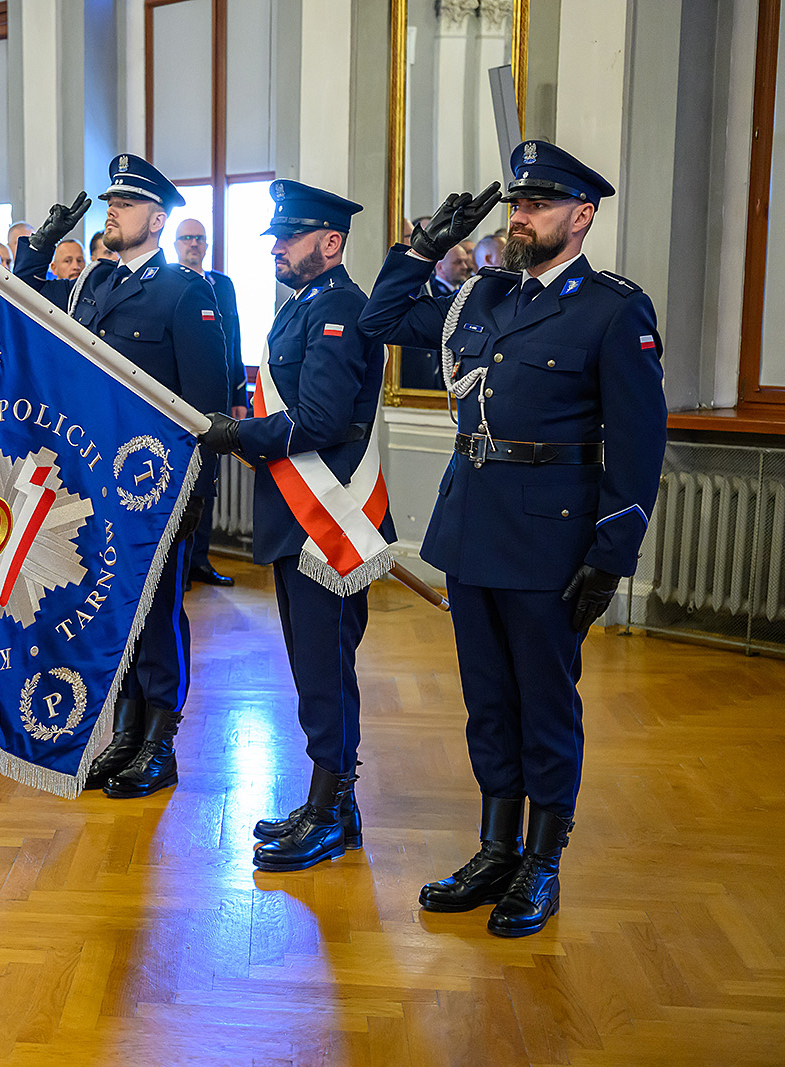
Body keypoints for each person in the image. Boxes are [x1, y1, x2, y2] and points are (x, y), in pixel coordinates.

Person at [358, 142, 667, 937]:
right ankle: (495, 848)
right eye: (517, 206)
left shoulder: (612, 308)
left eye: (537, 206)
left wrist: (611, 556)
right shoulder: (485, 298)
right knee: (488, 703)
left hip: (551, 543)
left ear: (581, 216)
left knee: (545, 705)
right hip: (473, 530)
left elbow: (638, 446)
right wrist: (421, 250)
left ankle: (543, 861)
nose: (519, 217)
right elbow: (380, 320)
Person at [14, 153, 230, 799]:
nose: (113, 211)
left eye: (127, 204)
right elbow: (24, 306)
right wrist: (42, 243)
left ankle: (159, 740)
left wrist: (195, 496)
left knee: (157, 613)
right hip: (92, 486)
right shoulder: (95, 285)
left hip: (157, 491)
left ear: (157, 219)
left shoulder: (186, 291)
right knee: (116, 610)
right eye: (112, 202)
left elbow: (207, 405)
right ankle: (128, 731)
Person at [199, 181, 396, 872]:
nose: (277, 248)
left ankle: (335, 810)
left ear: (330, 242)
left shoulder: (340, 307)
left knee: (324, 667)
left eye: (289, 237)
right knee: (312, 668)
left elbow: (319, 421)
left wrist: (236, 434)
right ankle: (323, 801)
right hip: (296, 516)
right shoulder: (303, 307)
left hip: (326, 522)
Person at [173, 217, 241, 589]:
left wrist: (239, 395)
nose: (194, 244)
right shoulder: (169, 283)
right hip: (180, 400)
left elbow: (232, 341)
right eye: (187, 238)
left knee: (208, 479)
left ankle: (200, 559)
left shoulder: (222, 284)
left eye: (199, 238)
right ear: (176, 243)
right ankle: (178, 564)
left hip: (217, 401)